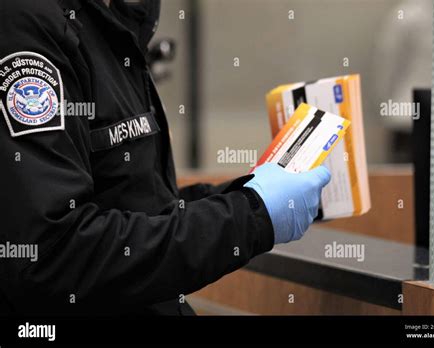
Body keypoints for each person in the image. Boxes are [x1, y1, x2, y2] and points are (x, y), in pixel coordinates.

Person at [0, 0, 330, 316]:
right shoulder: (29, 26)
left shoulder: (110, 22)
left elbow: (142, 207)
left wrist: (251, 194)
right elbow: (54, 258)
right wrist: (252, 215)